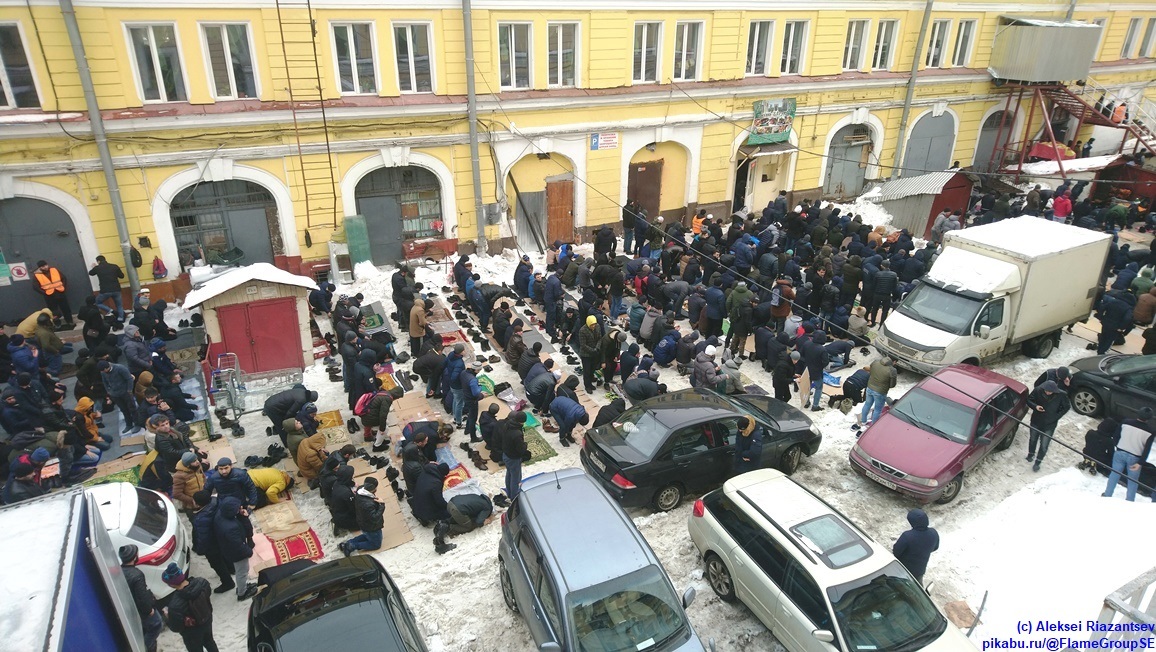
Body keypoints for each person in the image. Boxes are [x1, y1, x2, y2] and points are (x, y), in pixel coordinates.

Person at [162, 563, 219, 652]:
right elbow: (208, 593)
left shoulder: (175, 606)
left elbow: (176, 627)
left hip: (191, 632)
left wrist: (168, 617)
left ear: (172, 584)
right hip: (207, 620)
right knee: (210, 642)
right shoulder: (202, 582)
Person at [1103, 407, 1154, 502]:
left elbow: (1116, 436)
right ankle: (1130, 500)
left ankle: (1107, 494)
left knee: (1114, 474)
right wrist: (1140, 463)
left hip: (1120, 452)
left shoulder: (1125, 422)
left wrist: (1117, 446)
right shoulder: (1150, 432)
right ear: (1149, 418)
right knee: (1133, 481)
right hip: (1135, 458)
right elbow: (1146, 449)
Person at [190, 490, 236, 594]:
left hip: (211, 545)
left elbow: (203, 538)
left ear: (197, 503)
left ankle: (227, 583)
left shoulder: (201, 518)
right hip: (221, 538)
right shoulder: (216, 502)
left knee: (217, 564)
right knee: (225, 555)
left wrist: (200, 550)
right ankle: (232, 569)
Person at [213, 496, 258, 600]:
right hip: (237, 553)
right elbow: (238, 545)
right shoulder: (231, 528)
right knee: (242, 571)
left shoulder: (221, 515)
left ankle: (243, 586)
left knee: (240, 571)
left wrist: (241, 515)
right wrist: (248, 551)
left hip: (228, 549)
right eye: (238, 508)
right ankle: (242, 593)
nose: (241, 507)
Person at [119, 544, 163, 652]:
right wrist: (149, 610)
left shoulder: (120, 571)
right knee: (157, 624)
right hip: (142, 611)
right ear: (134, 557)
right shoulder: (137, 575)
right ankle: (145, 647)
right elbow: (142, 597)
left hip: (129, 608)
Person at [1026, 380, 1070, 472]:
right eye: (1046, 390)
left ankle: (1038, 462)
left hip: (1050, 424)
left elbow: (1066, 407)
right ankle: (1031, 454)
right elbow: (1029, 400)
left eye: (1050, 391)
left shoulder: (1061, 395)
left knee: (1044, 445)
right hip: (1036, 421)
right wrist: (1035, 406)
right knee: (1033, 439)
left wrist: (1056, 416)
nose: (1047, 392)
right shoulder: (1038, 390)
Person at [339, 477, 386, 555]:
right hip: (371, 527)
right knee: (376, 544)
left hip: (363, 522)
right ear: (374, 489)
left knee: (367, 536)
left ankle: (347, 543)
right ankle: (352, 546)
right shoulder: (368, 504)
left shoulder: (360, 491)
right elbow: (374, 517)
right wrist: (382, 505)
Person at [892, 509, 939, 585]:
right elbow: (935, 547)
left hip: (902, 569)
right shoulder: (933, 533)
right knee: (917, 589)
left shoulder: (907, 536)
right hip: (920, 570)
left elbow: (896, 552)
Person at [98, 360, 138, 434]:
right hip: (115, 394)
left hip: (126, 393)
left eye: (104, 370)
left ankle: (137, 424)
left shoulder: (120, 368)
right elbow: (104, 382)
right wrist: (108, 391)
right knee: (124, 409)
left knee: (132, 408)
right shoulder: (103, 372)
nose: (103, 372)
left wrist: (129, 390)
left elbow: (129, 379)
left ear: (107, 367)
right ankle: (129, 424)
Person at [33, 260, 73, 327]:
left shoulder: (54, 270)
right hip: (49, 296)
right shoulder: (37, 275)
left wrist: (63, 287)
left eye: (46, 265)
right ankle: (57, 324)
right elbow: (36, 287)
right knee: (53, 312)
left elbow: (64, 278)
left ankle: (70, 321)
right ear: (39, 268)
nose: (45, 267)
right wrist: (44, 293)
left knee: (66, 308)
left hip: (60, 292)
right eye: (43, 266)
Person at [859, 357, 897, 426]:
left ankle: (863, 421)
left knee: (867, 404)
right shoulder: (892, 370)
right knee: (877, 409)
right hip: (880, 392)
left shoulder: (876, 362)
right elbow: (892, 385)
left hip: (869, 387)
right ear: (894, 362)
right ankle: (873, 426)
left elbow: (871, 370)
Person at [502, 411, 529, 501]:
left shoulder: (508, 424)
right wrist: (525, 445)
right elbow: (521, 449)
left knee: (509, 473)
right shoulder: (517, 434)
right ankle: (514, 497)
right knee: (516, 478)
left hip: (506, 454)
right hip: (513, 458)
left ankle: (509, 491)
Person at [90, 255, 126, 321]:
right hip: (116, 289)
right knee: (119, 306)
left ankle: (110, 310)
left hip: (105, 290)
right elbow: (122, 276)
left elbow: (91, 273)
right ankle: (120, 319)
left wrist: (94, 267)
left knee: (97, 302)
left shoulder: (97, 268)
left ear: (98, 261)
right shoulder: (114, 266)